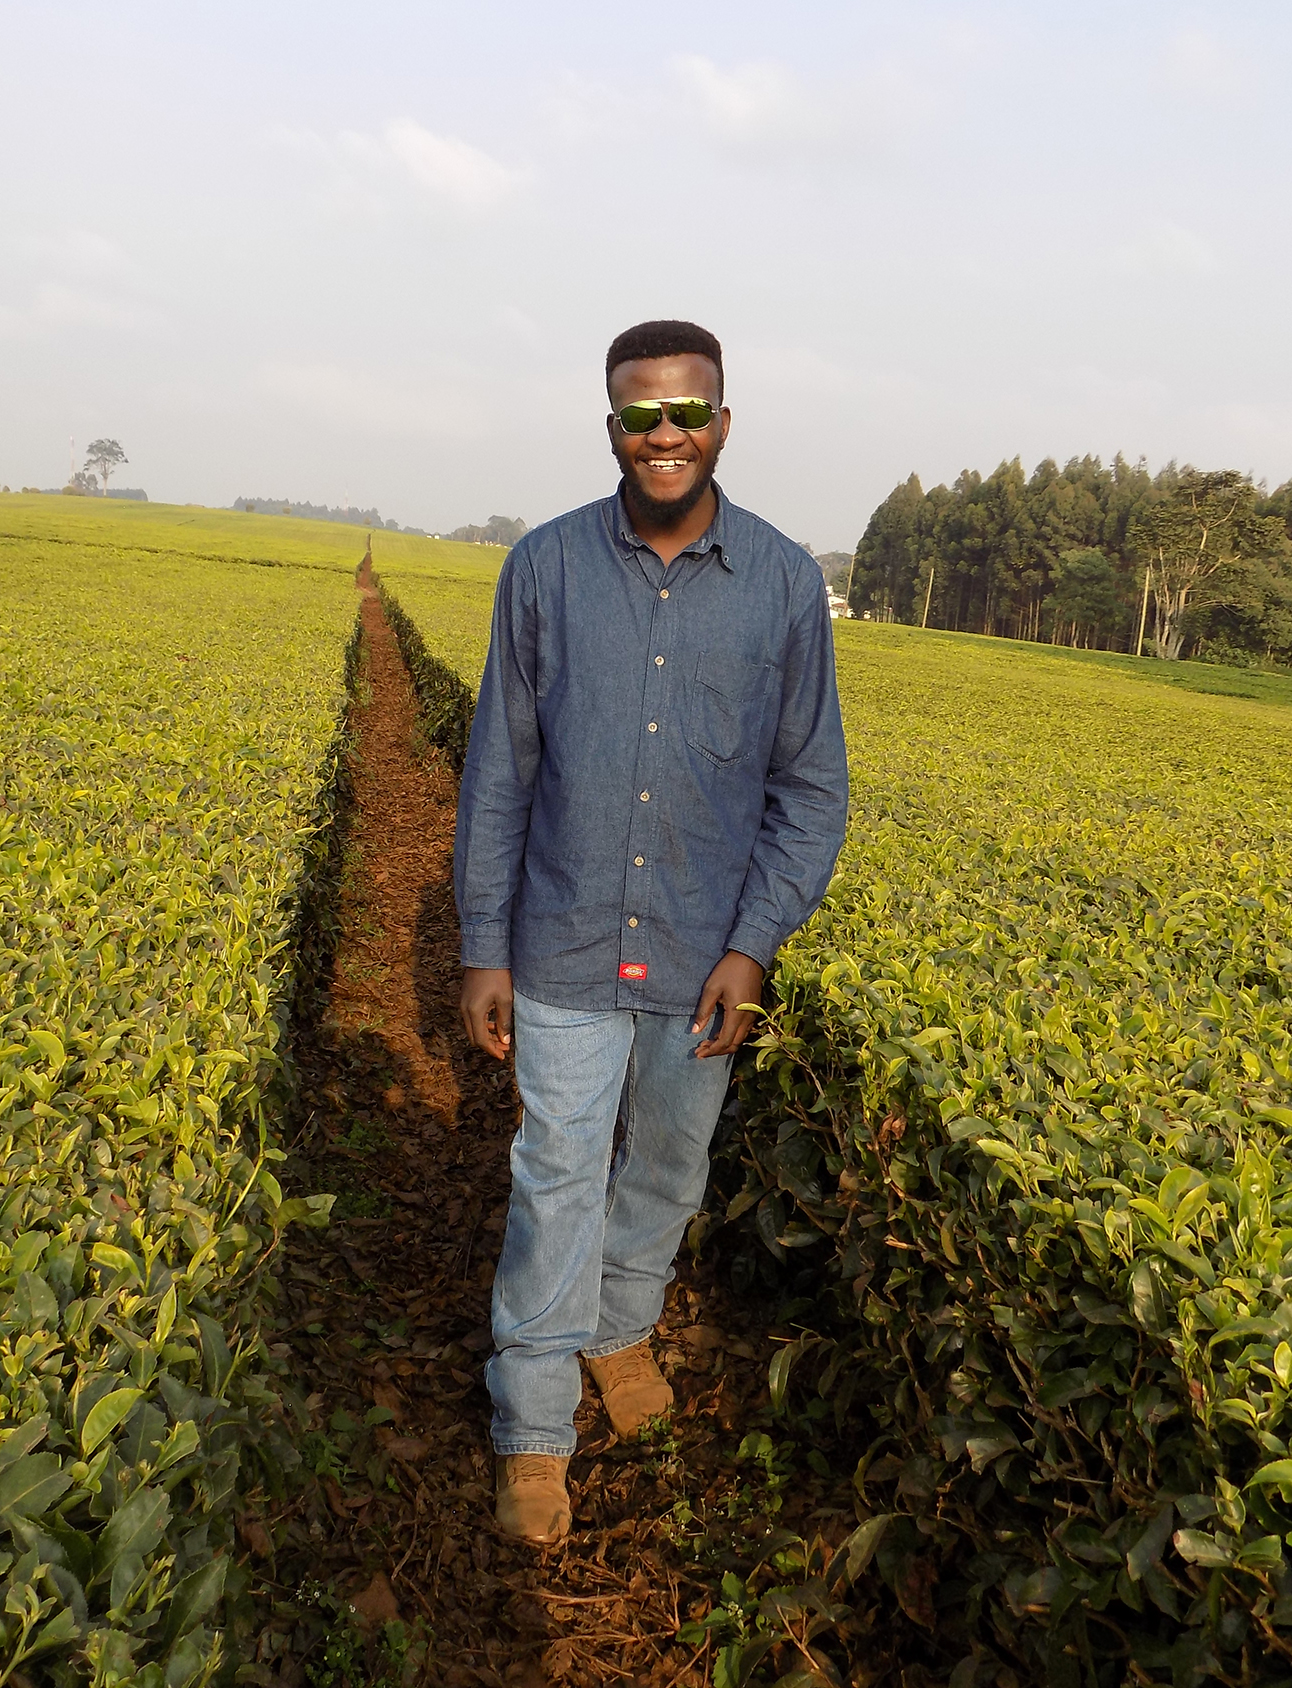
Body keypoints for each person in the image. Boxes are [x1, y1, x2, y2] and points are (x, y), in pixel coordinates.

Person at [453, 319, 850, 1543]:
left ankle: (619, 1330)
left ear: (724, 422)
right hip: (565, 936)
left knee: (669, 1171)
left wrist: (756, 944)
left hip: (701, 957)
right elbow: (501, 768)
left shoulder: (783, 584)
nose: (664, 434)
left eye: (688, 412)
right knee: (558, 1174)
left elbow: (811, 787)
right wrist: (483, 941)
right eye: (641, 416)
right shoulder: (548, 568)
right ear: (611, 426)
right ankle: (531, 1423)